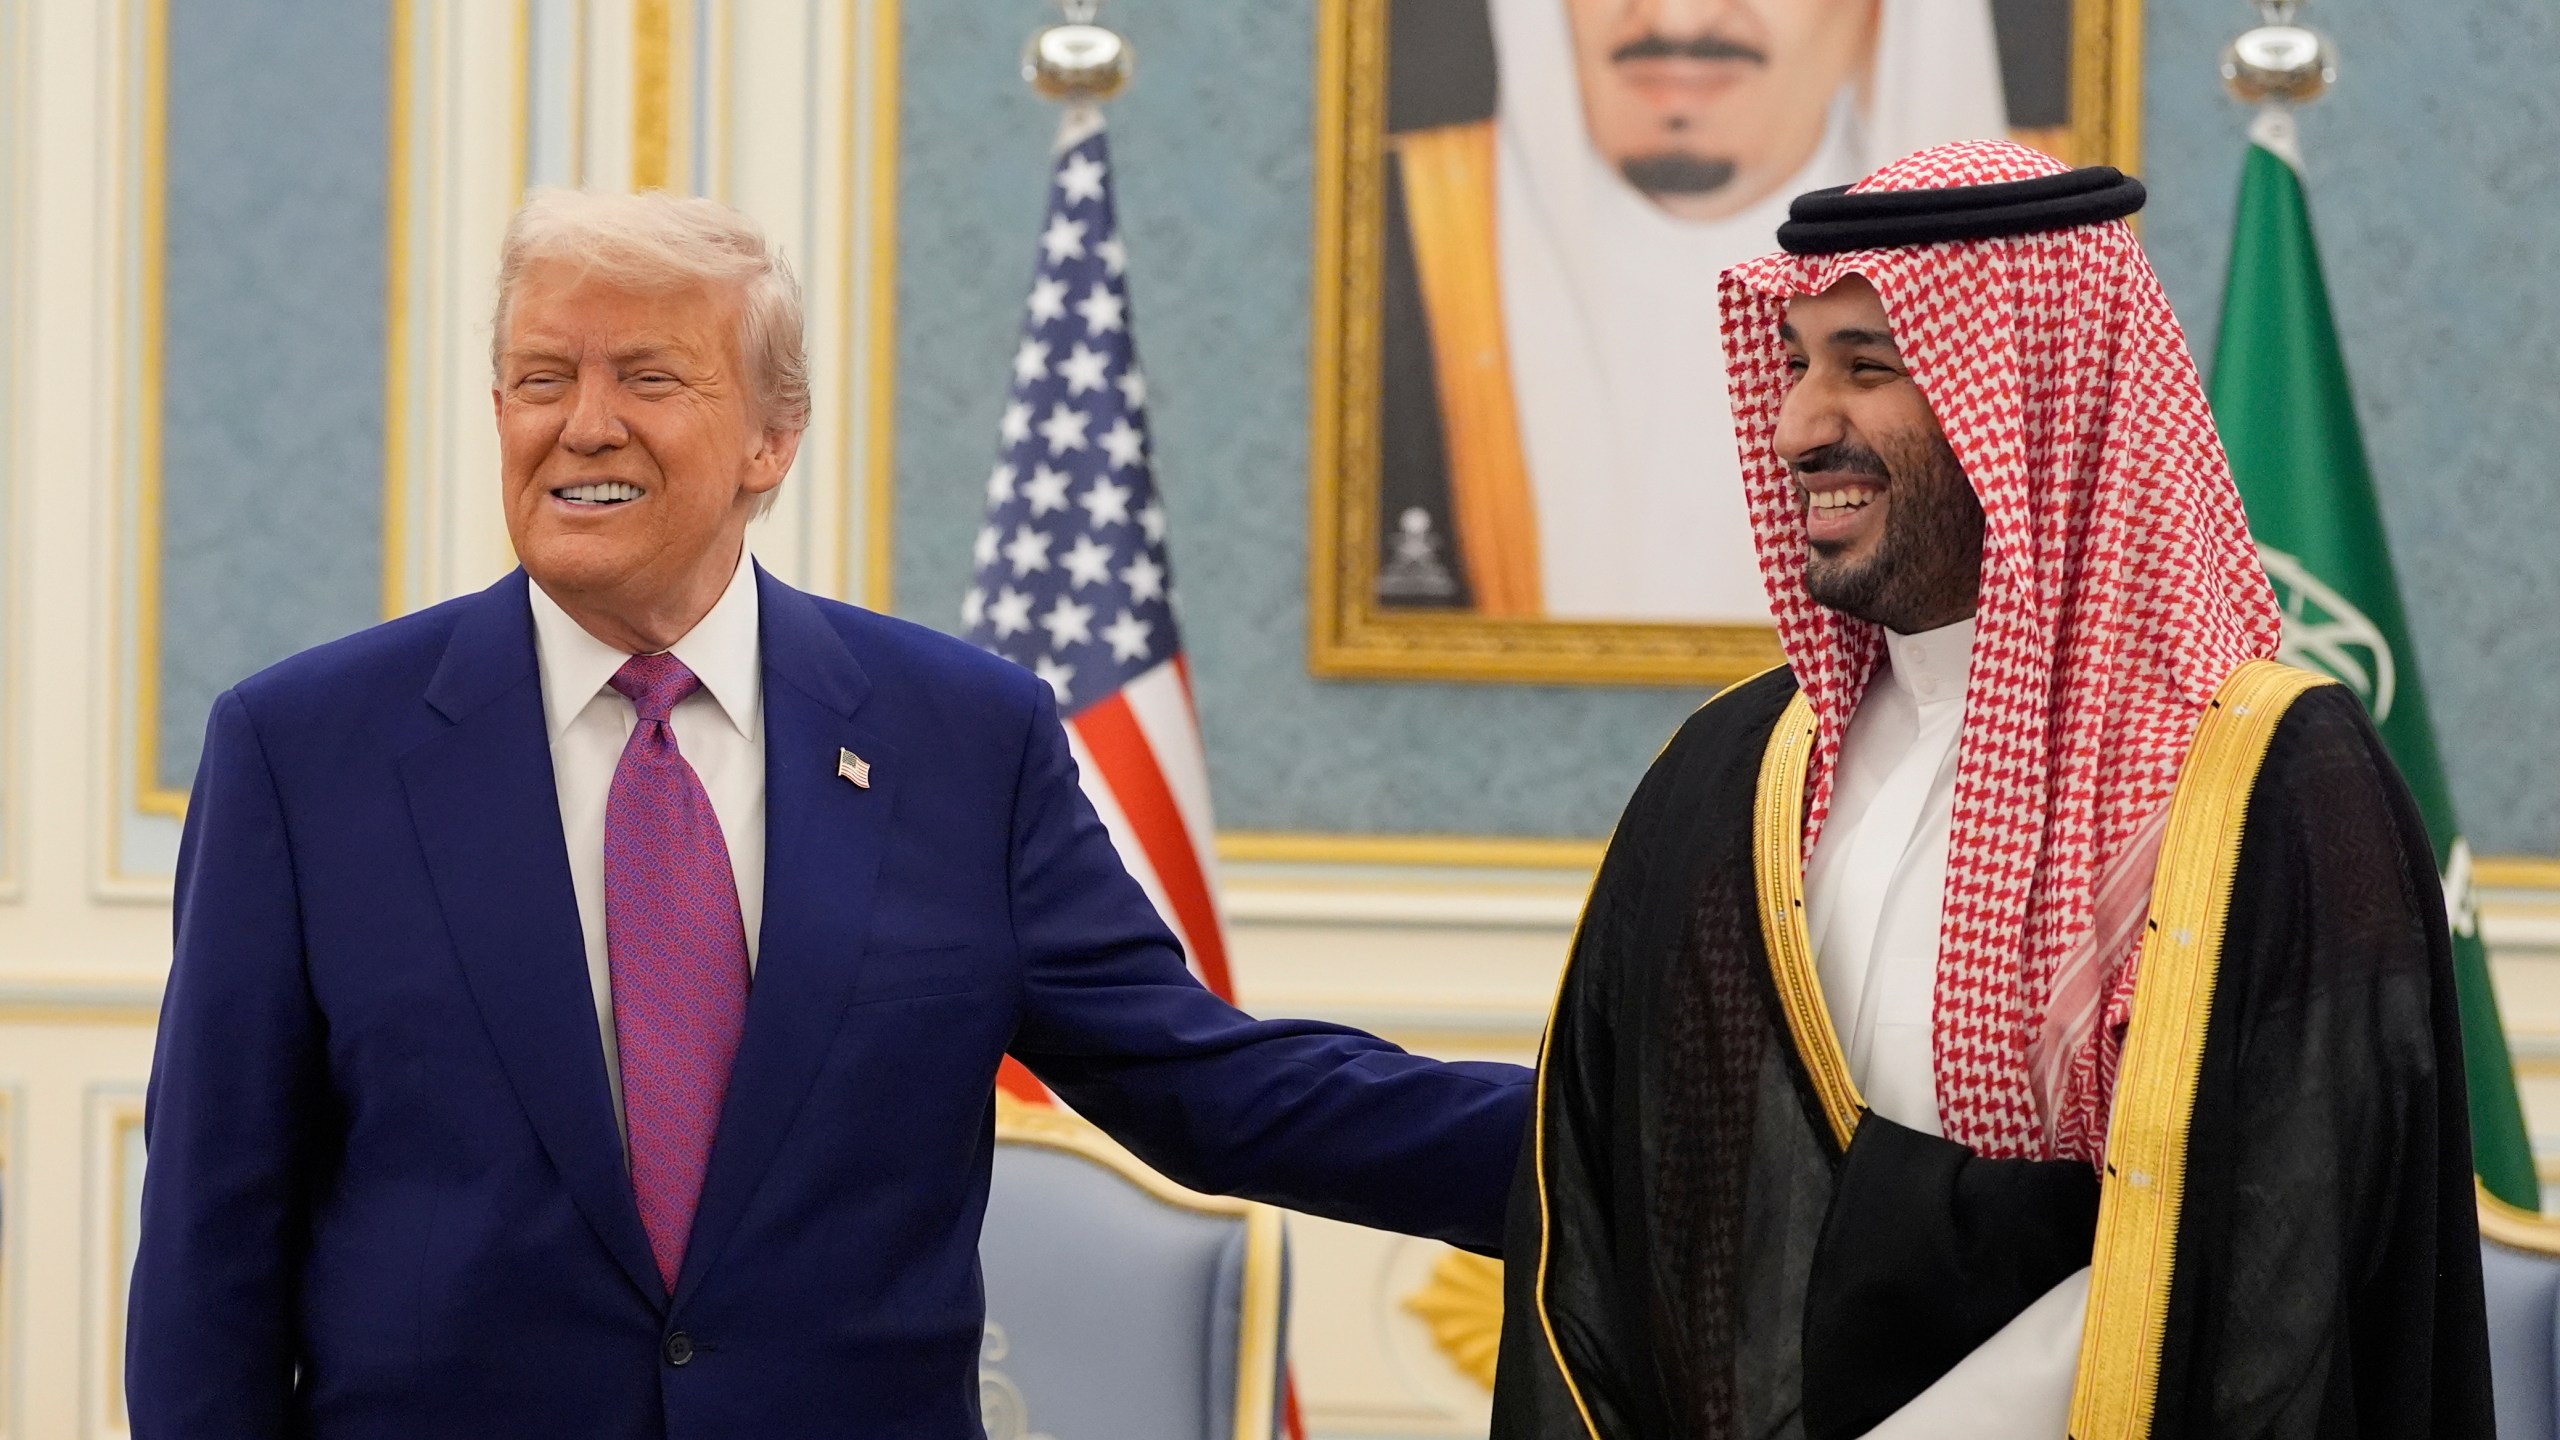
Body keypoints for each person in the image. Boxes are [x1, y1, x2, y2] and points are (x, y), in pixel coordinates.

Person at [126, 189, 1532, 1438]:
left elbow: (1205, 1084)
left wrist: (1613, 1146)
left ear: (771, 440)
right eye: (538, 377)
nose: (583, 423)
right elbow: (213, 1226)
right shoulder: (307, 750)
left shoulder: (961, 738)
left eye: (649, 376)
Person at [1491, 142, 2493, 1437]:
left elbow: (2279, 1258)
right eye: (1793, 364)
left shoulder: (2259, 787)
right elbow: (1620, 1197)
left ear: (2026, 398)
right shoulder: (1729, 777)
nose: (1797, 424)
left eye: (1867, 367)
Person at [1377, 0, 2006, 620]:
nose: (1679, 19)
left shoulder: (2040, 253)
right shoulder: (1393, 234)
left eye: (1869, 365)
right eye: (1793, 364)